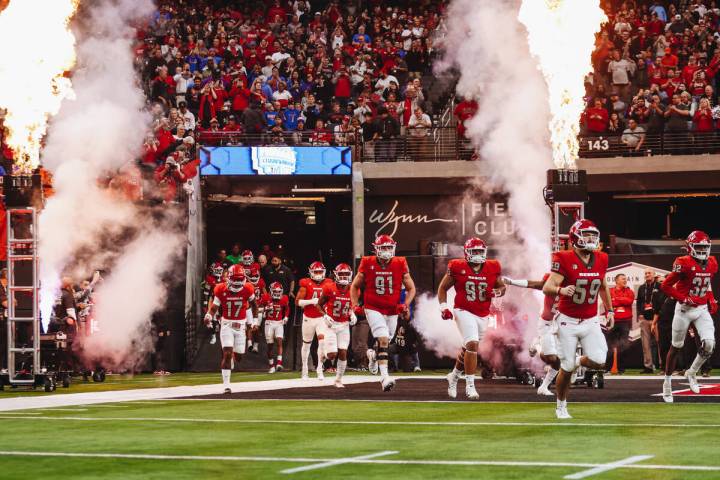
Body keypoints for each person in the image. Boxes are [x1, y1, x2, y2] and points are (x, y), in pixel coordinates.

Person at [543, 220, 613, 419]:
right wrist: (561, 289)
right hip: (568, 320)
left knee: (599, 360)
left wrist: (610, 311)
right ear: (575, 238)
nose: (591, 239)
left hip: (590, 319)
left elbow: (603, 286)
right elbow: (547, 286)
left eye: (593, 235)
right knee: (565, 368)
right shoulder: (563, 257)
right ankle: (561, 405)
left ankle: (576, 361)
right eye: (586, 235)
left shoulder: (601, 258)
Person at [439, 237, 505, 400]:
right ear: (467, 253)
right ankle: (470, 385)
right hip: (463, 310)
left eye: (479, 251)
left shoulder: (492, 266)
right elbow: (443, 288)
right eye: (474, 251)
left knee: (468, 348)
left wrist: (496, 293)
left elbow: (501, 287)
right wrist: (444, 307)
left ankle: (454, 376)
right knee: (472, 344)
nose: (477, 254)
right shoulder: (457, 266)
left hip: (483, 313)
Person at [351, 235, 416, 391]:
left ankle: (373, 356)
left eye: (389, 247)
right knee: (384, 339)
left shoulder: (400, 263)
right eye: (383, 248)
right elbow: (354, 286)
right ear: (376, 249)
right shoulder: (367, 262)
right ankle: (384, 378)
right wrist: (354, 305)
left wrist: (405, 304)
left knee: (387, 339)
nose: (386, 251)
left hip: (392, 308)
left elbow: (411, 288)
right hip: (373, 307)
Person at [660, 231, 718, 403]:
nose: (702, 250)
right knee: (676, 346)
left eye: (704, 247)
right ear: (690, 247)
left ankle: (692, 372)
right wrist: (683, 298)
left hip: (701, 309)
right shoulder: (683, 262)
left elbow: (706, 283)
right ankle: (667, 383)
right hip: (684, 309)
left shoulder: (712, 262)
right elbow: (666, 285)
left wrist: (711, 298)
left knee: (709, 344)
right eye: (698, 246)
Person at [503, 273, 561, 396]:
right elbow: (533, 284)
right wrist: (513, 282)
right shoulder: (552, 278)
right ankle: (536, 345)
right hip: (548, 321)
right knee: (551, 358)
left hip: (566, 323)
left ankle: (544, 387)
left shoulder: (577, 279)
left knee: (562, 360)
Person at [204, 264, 258, 394]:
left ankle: (232, 357)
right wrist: (208, 315)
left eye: (240, 279)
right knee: (227, 353)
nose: (239, 282)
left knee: (238, 356)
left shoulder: (248, 289)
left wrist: (255, 321)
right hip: (227, 324)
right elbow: (214, 307)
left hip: (241, 325)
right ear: (229, 278)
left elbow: (254, 305)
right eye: (236, 279)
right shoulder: (220, 288)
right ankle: (226, 385)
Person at [317, 263, 357, 388]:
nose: (344, 276)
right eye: (341, 274)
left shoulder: (353, 289)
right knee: (332, 355)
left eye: (346, 274)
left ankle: (338, 380)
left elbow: (353, 305)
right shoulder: (329, 288)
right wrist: (325, 315)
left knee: (343, 352)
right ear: (336, 275)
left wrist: (352, 313)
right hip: (331, 324)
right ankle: (323, 351)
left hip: (344, 325)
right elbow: (318, 305)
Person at [296, 261, 333, 380]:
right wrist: (311, 301)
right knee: (306, 344)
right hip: (308, 318)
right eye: (315, 272)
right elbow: (298, 302)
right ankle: (305, 369)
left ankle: (319, 368)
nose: (318, 274)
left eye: (320, 272)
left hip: (321, 317)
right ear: (311, 272)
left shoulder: (328, 283)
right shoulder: (305, 283)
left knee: (322, 342)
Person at [607, 274, 634, 374]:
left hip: (625, 322)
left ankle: (621, 369)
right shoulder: (609, 291)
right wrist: (621, 300)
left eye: (626, 279)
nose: (625, 280)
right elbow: (608, 303)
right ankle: (608, 368)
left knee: (623, 345)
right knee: (609, 345)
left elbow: (629, 301)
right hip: (612, 321)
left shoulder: (629, 291)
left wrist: (616, 299)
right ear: (616, 281)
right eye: (623, 279)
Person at [261, 282, 289, 373]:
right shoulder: (266, 298)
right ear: (271, 291)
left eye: (279, 292)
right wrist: (265, 309)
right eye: (275, 292)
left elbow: (287, 308)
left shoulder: (284, 298)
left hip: (279, 323)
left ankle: (279, 363)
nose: (277, 293)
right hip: (269, 323)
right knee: (270, 346)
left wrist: (286, 317)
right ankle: (271, 365)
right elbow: (259, 308)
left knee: (279, 341)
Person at [637, 269, 661, 373]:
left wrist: (659, 315)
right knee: (645, 344)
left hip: (657, 318)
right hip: (645, 319)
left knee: (661, 343)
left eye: (649, 273)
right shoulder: (642, 288)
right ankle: (648, 366)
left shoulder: (659, 286)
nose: (647, 275)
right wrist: (640, 314)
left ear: (654, 275)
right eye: (646, 273)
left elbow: (662, 301)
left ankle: (663, 365)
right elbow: (639, 302)